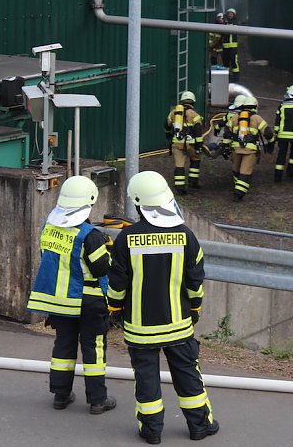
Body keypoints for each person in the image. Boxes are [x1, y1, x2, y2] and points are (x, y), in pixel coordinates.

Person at [107, 171, 218, 445]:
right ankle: (200, 426)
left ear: (137, 203)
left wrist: (114, 310)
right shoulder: (186, 236)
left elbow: (117, 284)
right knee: (187, 373)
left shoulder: (125, 239)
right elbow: (195, 281)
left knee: (146, 378)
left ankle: (152, 430)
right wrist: (194, 309)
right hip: (179, 324)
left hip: (139, 327)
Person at [27, 175, 116, 415]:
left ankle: (60, 395)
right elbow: (101, 269)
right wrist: (108, 249)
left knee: (63, 346)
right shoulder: (91, 235)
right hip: (89, 300)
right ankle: (98, 400)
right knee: (93, 349)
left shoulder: (49, 227)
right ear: (89, 201)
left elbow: (47, 257)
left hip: (60, 300)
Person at [231, 95, 274, 202]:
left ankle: (238, 187)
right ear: (255, 106)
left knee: (236, 170)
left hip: (236, 148)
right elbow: (268, 133)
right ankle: (238, 194)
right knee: (245, 172)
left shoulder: (235, 117)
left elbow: (227, 133)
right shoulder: (257, 118)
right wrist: (271, 143)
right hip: (250, 151)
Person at [164, 91, 205, 195]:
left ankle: (179, 188)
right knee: (196, 159)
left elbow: (167, 125)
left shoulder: (173, 113)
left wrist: (168, 135)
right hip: (190, 144)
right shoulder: (195, 115)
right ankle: (193, 182)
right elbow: (198, 132)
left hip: (177, 144)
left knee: (179, 165)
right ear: (193, 103)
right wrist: (199, 146)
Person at [221, 8, 240, 82]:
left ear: (234, 15)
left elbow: (233, 27)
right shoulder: (225, 23)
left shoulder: (235, 23)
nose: (230, 15)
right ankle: (227, 77)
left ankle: (236, 78)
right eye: (228, 13)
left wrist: (226, 23)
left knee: (234, 63)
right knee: (225, 63)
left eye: (231, 14)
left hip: (233, 47)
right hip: (225, 47)